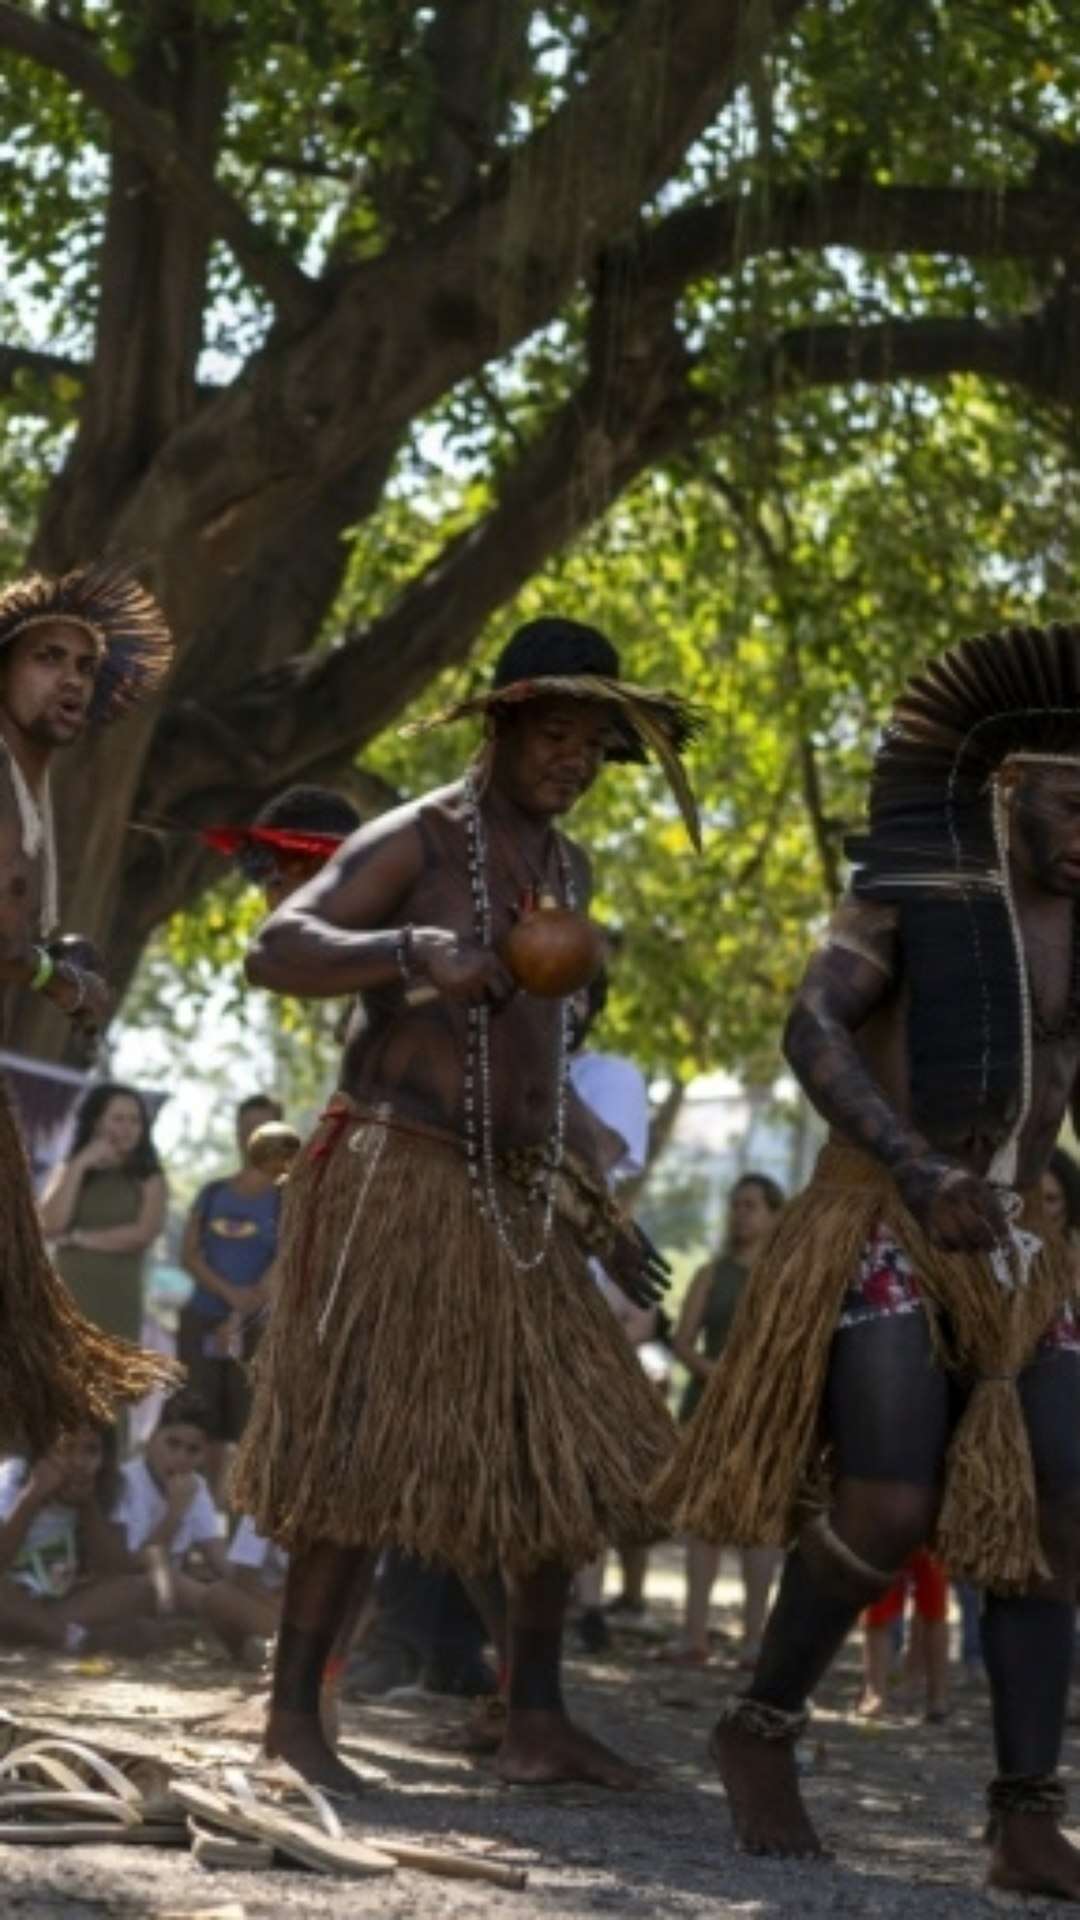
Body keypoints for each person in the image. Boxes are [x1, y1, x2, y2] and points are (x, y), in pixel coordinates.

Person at [233, 616, 702, 1794]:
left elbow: (544, 1069)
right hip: (402, 1174)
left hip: (521, 1192)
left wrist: (601, 1200)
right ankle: (294, 1723)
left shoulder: (570, 872)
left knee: (557, 1457)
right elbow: (276, 945)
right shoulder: (422, 839)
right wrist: (409, 951)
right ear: (500, 724)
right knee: (359, 1449)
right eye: (557, 735)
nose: (575, 763)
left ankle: (532, 1718)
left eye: (594, 747)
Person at [655, 619, 1080, 1902]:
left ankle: (1020, 1818)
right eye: (1070, 799)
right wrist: (915, 1161)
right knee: (890, 1505)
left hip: (1026, 1244)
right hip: (888, 1215)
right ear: (1009, 795)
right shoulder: (908, 887)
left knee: (1057, 1519)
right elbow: (810, 1024)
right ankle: (762, 1724)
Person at [0, 564, 175, 1448]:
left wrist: (55, 956)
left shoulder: (34, 791)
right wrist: (48, 977)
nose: (70, 678)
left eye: (84, 667)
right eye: (48, 657)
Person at [657, 1173, 785, 1668]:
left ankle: (756, 1643)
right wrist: (716, 1374)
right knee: (703, 1526)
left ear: (775, 1213)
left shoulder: (787, 1276)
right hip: (708, 1412)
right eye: (735, 1204)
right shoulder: (712, 1273)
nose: (740, 1213)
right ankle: (694, 1637)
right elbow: (683, 1340)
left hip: (766, 1414)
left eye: (751, 1205)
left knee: (761, 1527)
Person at [177, 1094, 285, 1497]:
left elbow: (286, 1259)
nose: (251, 1137)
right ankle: (194, 1516)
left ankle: (239, 1531)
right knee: (196, 1422)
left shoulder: (287, 1199)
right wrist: (229, 1294)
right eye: (245, 1127)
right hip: (201, 1319)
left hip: (258, 1332)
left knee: (249, 1427)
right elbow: (189, 1253)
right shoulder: (212, 1192)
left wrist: (244, 1309)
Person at [0, 1424, 163, 1650]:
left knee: (142, 1589)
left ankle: (33, 1630)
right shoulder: (13, 1476)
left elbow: (112, 1570)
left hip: (68, 1601)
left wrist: (87, 1506)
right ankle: (76, 1639)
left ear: (104, 1457)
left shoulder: (113, 1486)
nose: (78, 1461)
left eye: (91, 1451)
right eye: (66, 1448)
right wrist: (31, 1498)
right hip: (14, 1594)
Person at [40, 1082, 167, 1346]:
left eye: (135, 1120)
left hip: (117, 1300)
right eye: (118, 1118)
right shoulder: (69, 1169)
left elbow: (142, 1234)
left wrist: (77, 1238)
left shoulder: (150, 1178)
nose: (128, 1128)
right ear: (96, 1122)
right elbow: (50, 1226)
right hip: (65, 1298)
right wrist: (79, 1166)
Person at [113, 1388, 227, 1583]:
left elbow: (218, 1558)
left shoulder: (195, 1486)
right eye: (172, 1444)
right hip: (129, 1589)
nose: (181, 1458)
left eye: (193, 1450)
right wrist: (174, 1514)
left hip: (169, 1588)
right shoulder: (125, 1483)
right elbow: (132, 1567)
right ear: (151, 1439)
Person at [858, 1548, 950, 1722]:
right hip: (883, 1531)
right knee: (876, 1608)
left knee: (934, 1609)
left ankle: (937, 1696)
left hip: (932, 1535)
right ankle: (875, 1693)